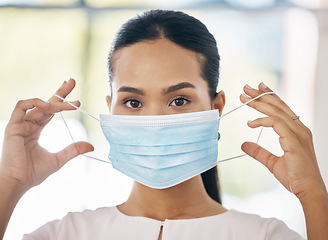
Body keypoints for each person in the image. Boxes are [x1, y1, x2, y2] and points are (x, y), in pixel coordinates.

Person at [0, 9, 327, 240]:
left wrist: (313, 194)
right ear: (109, 111)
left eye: (179, 100)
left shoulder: (266, 237)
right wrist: (9, 181)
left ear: (216, 108)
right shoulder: (63, 236)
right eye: (132, 102)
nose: (154, 122)